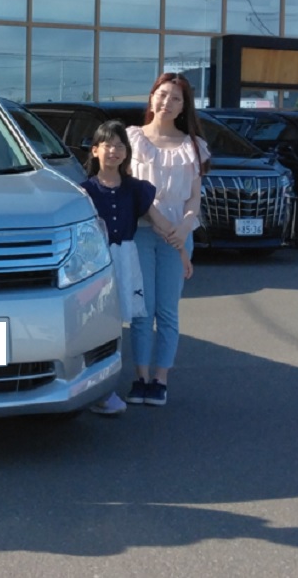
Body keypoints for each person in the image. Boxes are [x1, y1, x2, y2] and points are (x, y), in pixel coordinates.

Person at [80, 120, 192, 416]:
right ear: (95, 150)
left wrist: (182, 253)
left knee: (125, 319)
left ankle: (123, 384)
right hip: (97, 263)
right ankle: (100, 388)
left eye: (120, 146)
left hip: (127, 260)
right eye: (108, 145)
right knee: (100, 324)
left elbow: (161, 222)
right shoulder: (83, 191)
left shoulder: (135, 189)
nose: (114, 151)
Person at [124, 73, 209, 407]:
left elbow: (194, 197)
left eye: (175, 98)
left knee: (167, 311)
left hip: (177, 237)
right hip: (141, 233)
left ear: (184, 106)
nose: (167, 102)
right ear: (151, 97)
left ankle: (160, 379)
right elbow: (128, 189)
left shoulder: (192, 145)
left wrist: (186, 226)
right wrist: (155, 219)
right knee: (142, 310)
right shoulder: (132, 138)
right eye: (162, 95)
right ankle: (141, 377)